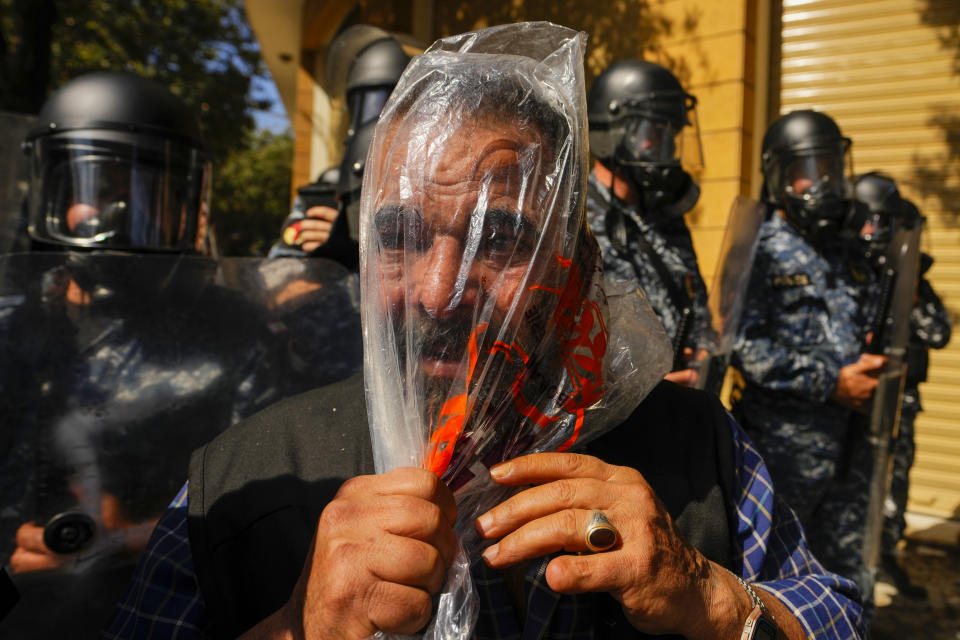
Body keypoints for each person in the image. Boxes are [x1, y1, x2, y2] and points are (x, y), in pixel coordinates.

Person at [105, 24, 865, 640]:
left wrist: (709, 597)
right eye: (400, 235)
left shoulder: (700, 449)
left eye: (498, 240)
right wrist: (295, 627)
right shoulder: (245, 479)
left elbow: (832, 611)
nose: (439, 291)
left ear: (576, 265)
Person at [0, 71, 261, 637]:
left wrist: (120, 541)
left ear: (186, 205)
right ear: (50, 195)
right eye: (93, 188)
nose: (113, 214)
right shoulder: (13, 328)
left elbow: (255, 500)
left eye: (143, 195)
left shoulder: (236, 337)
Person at [731, 110, 884, 608]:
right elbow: (744, 348)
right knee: (780, 583)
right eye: (806, 170)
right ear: (780, 177)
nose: (820, 183)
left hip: (851, 446)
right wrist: (830, 382)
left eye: (830, 168)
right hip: (785, 455)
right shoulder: (760, 249)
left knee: (849, 572)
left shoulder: (846, 249)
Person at [853, 171, 952, 600]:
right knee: (858, 487)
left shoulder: (911, 279)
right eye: (868, 222)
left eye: (883, 224)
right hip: (856, 404)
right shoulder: (849, 272)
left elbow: (939, 333)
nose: (875, 233)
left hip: (902, 402)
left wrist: (911, 289)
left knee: (896, 487)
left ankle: (886, 556)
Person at [585, 59, 711, 386]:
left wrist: (704, 354)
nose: (667, 148)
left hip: (681, 414)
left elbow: (698, 302)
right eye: (654, 132)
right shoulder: (571, 218)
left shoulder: (664, 217)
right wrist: (642, 383)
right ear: (611, 133)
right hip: (609, 424)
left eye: (672, 134)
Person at [270, 26, 411, 268]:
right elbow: (279, 276)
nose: (376, 122)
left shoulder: (432, 190)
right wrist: (328, 248)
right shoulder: (325, 193)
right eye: (365, 105)